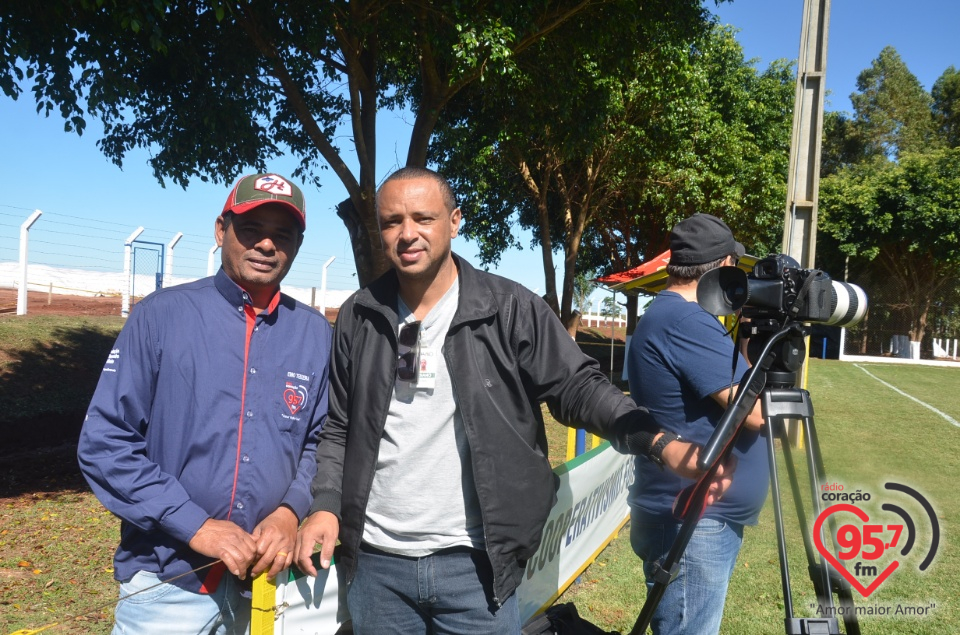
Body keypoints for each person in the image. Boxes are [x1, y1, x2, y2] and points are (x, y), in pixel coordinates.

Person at [294, 167, 728, 634]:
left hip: (477, 568)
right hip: (379, 569)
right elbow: (339, 426)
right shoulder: (360, 315)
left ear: (455, 221)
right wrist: (325, 504)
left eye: (423, 217)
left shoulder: (509, 308)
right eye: (392, 221)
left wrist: (658, 442)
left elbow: (579, 388)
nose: (407, 234)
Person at [78, 173, 332, 634]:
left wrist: (289, 510)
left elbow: (321, 439)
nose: (267, 245)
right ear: (221, 230)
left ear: (297, 244)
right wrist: (197, 526)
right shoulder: (160, 316)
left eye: (283, 234)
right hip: (169, 580)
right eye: (251, 230)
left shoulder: (314, 333)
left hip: (271, 583)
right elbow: (105, 441)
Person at [626, 213, 768, 635]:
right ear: (724, 265)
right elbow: (756, 413)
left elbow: (734, 390)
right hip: (693, 521)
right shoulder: (685, 321)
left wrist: (746, 338)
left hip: (696, 517)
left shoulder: (669, 315)